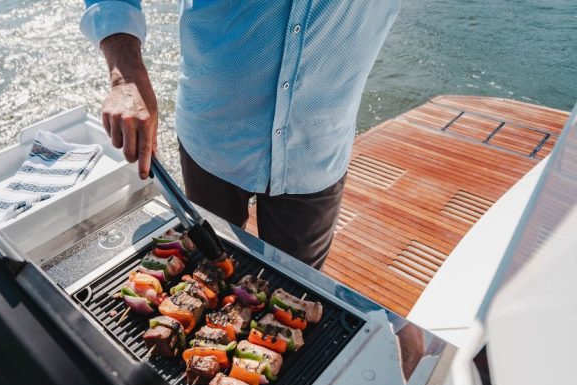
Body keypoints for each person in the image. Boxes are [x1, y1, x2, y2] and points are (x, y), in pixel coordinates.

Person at [80, 0, 400, 269]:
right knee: (205, 265)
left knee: (297, 292)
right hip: (210, 138)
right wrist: (127, 78)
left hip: (315, 153)